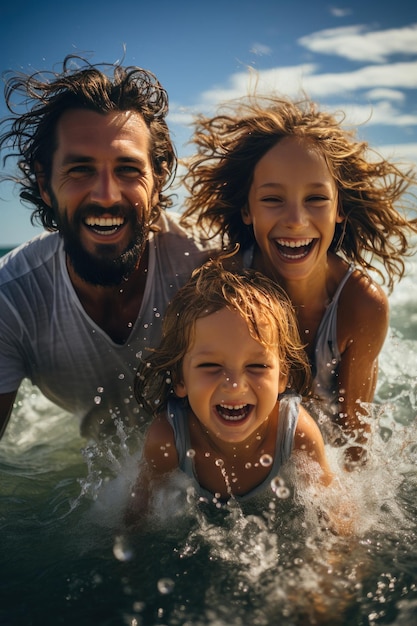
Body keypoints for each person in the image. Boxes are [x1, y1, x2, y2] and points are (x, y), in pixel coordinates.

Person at [179, 94, 417, 464]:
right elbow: (183, 414)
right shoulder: (214, 282)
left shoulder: (360, 306)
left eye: (315, 199)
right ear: (247, 209)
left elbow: (354, 441)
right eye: (273, 199)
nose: (295, 220)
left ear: (340, 208)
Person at [0, 55, 221, 440]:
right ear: (43, 184)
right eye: (80, 169)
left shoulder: (207, 267)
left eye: (128, 169)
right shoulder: (12, 301)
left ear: (157, 180)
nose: (106, 195)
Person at [126, 256, 335, 527]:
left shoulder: (296, 434)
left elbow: (336, 516)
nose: (235, 385)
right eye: (211, 366)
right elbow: (134, 524)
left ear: (282, 376)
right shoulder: (167, 440)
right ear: (180, 379)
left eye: (257, 366)